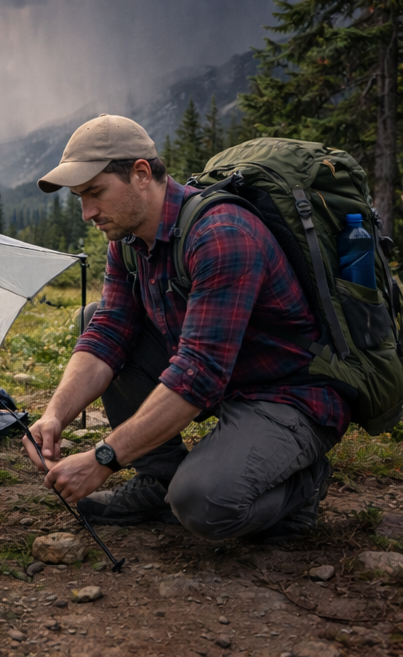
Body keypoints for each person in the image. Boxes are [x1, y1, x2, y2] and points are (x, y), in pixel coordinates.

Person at [24, 114, 347, 541]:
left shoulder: (222, 233)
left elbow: (198, 374)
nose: (88, 213)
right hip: (225, 380)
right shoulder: (127, 241)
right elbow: (108, 332)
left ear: (141, 174)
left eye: (95, 193)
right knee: (94, 317)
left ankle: (302, 487)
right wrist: (54, 415)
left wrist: (103, 458)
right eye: (80, 198)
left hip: (286, 394)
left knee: (202, 505)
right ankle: (159, 480)